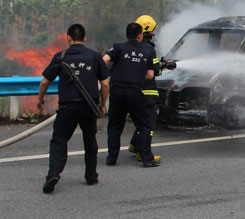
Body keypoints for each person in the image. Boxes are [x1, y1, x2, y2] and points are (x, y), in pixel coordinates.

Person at [37, 24, 110, 194]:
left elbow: (44, 81)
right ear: (84, 39)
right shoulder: (94, 56)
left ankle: (53, 174)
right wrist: (103, 105)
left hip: (67, 107)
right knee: (90, 140)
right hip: (89, 106)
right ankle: (91, 176)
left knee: (59, 140)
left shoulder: (60, 57)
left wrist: (40, 100)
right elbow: (105, 84)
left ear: (68, 38)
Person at [103, 22, 159, 167]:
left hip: (116, 90)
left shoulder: (119, 47)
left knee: (115, 125)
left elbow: (104, 60)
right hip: (135, 91)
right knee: (144, 125)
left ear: (127, 35)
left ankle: (112, 158)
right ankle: (147, 158)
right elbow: (150, 75)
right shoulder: (146, 51)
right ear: (140, 36)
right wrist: (137, 72)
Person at [127, 15, 176, 163]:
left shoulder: (132, 47)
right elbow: (154, 71)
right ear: (147, 31)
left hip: (132, 91)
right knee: (148, 122)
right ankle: (144, 153)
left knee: (141, 121)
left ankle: (135, 145)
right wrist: (165, 66)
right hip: (146, 91)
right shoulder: (148, 48)